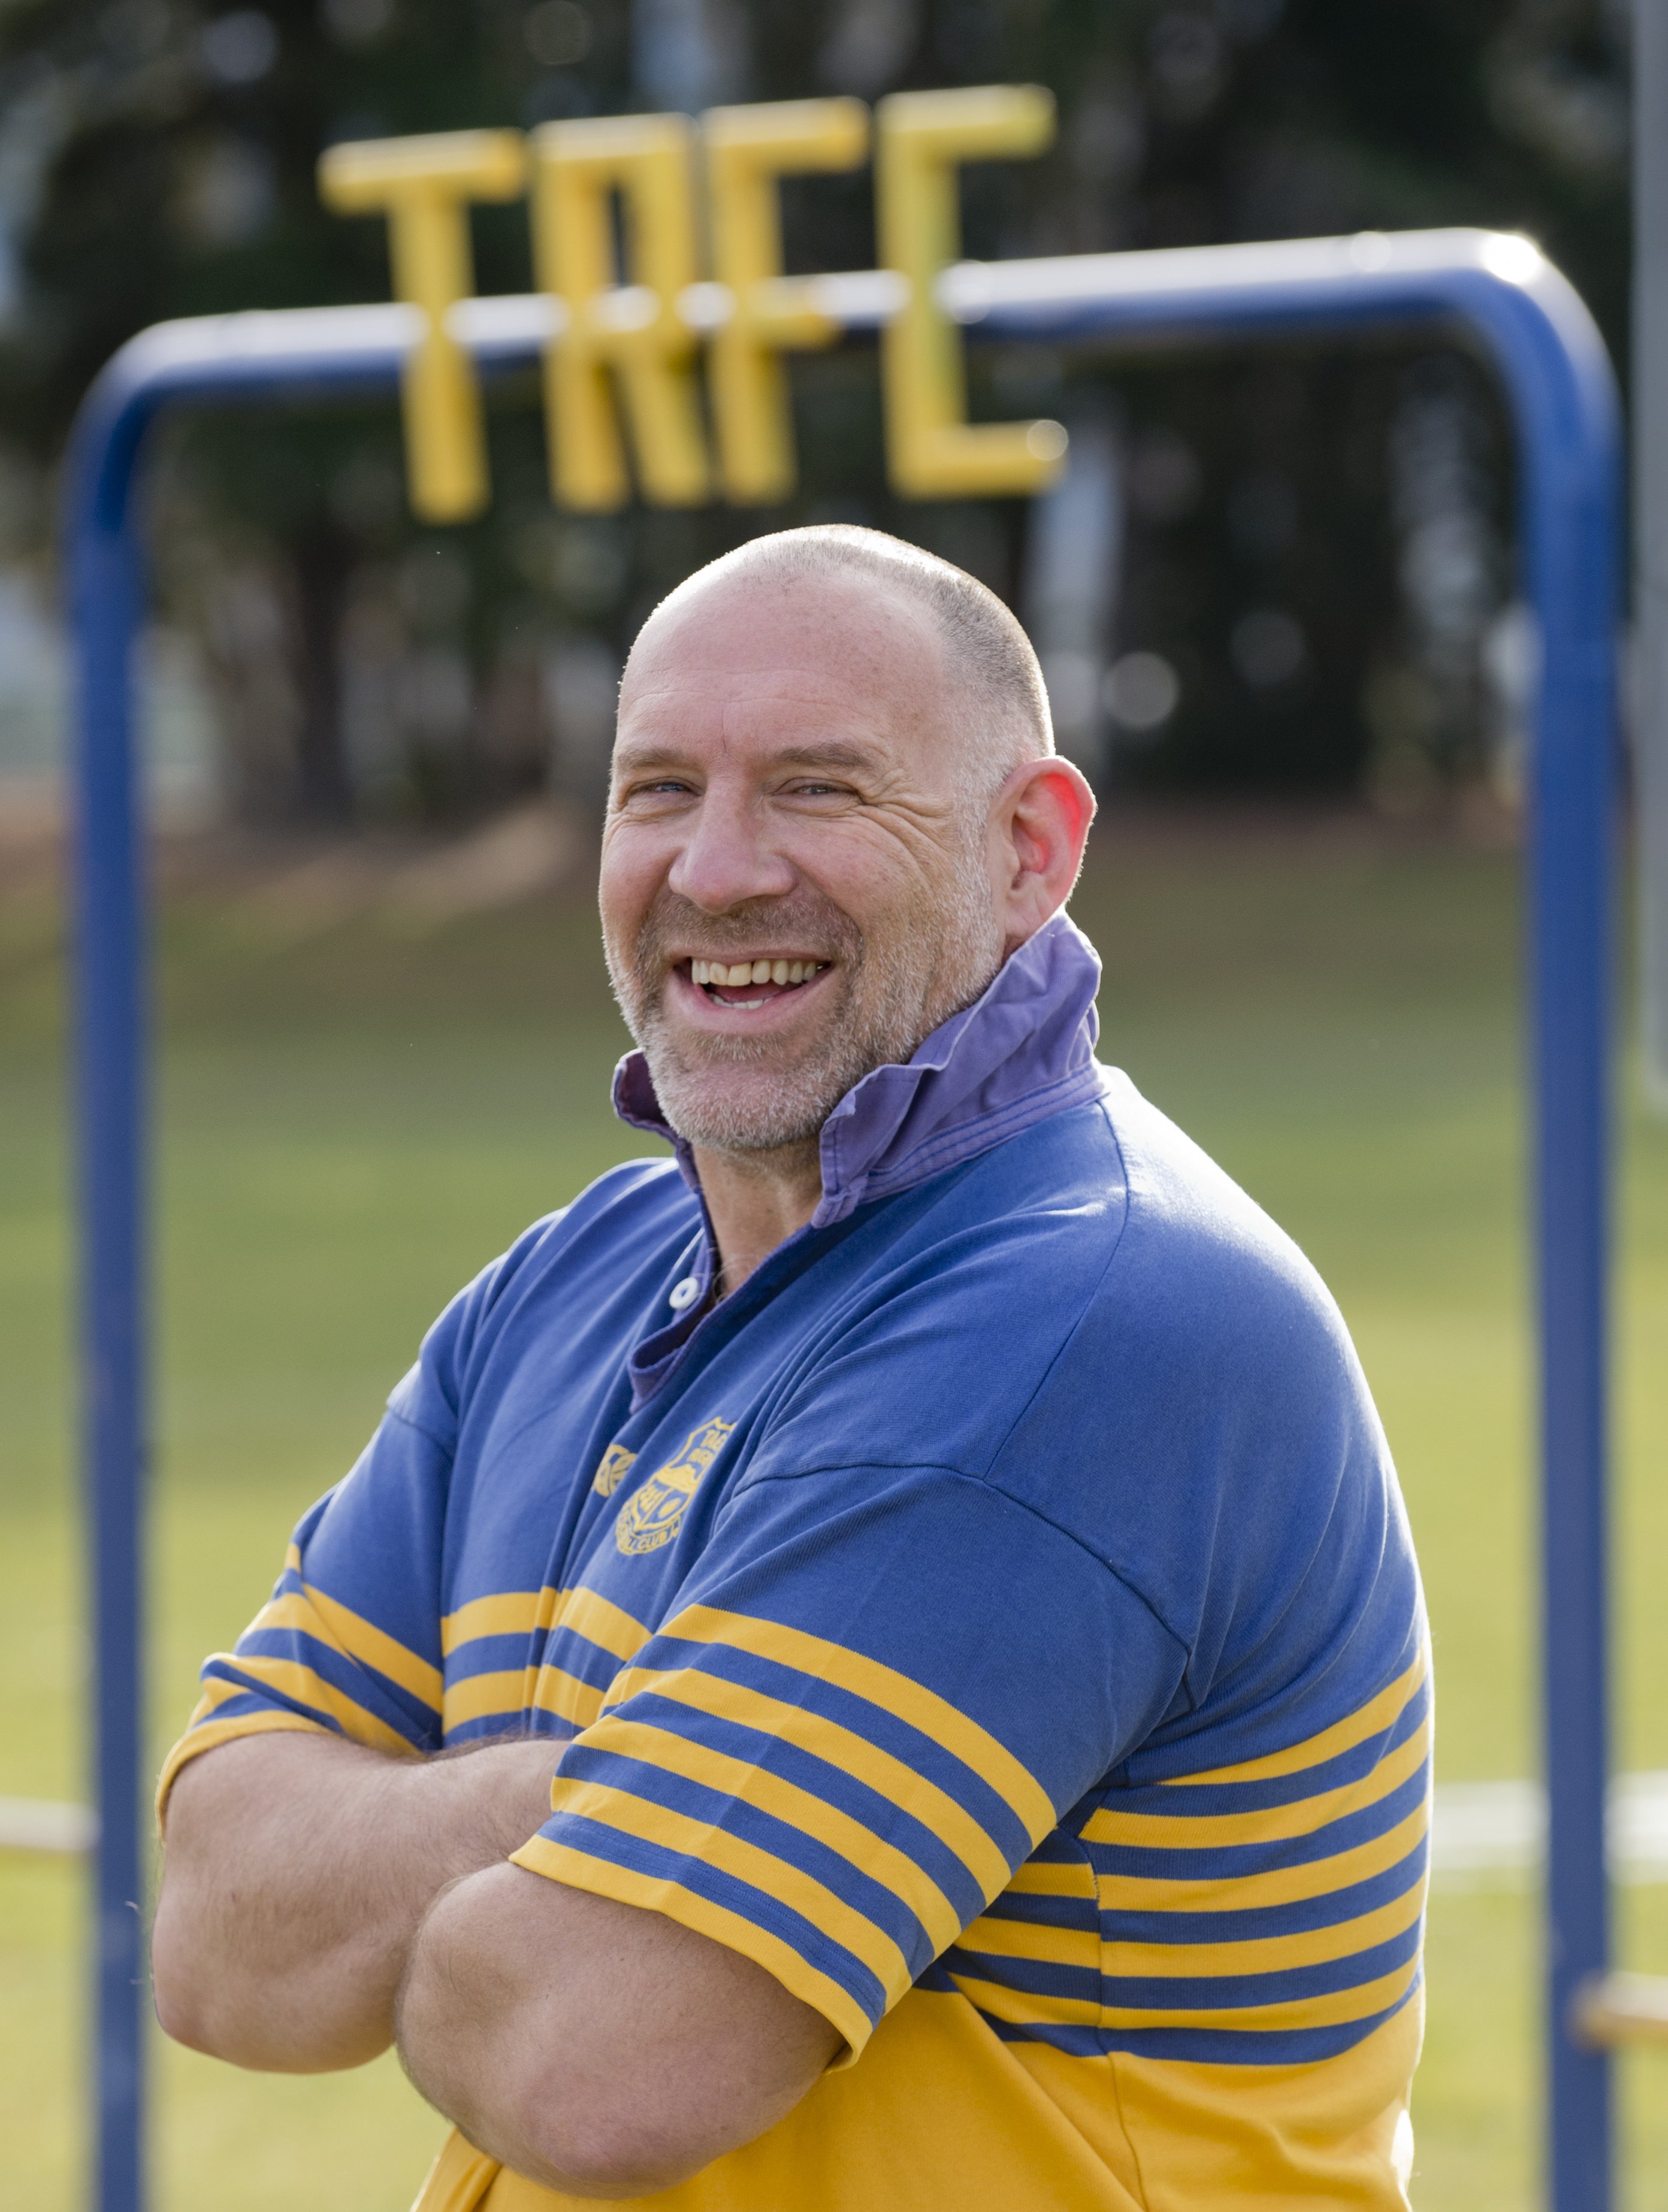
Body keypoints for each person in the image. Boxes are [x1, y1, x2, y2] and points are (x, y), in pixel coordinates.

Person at [152, 525, 1428, 2211]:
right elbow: (216, 1938)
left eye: (820, 790)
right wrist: (614, 1788)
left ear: (1032, 850)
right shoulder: (558, 1292)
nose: (722, 868)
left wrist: (443, 1864)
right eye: (660, 789)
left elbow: (593, 2063)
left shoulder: (1098, 1316)